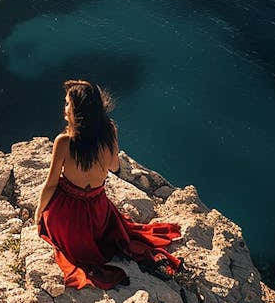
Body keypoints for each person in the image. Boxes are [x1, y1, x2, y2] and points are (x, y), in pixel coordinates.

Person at [35, 79, 182, 289]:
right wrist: (111, 139)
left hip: (66, 214)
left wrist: (39, 212)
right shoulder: (109, 132)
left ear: (78, 110)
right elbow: (114, 167)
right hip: (98, 211)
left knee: (52, 218)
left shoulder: (64, 142)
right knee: (120, 231)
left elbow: (50, 184)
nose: (64, 107)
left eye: (68, 103)